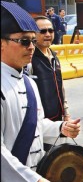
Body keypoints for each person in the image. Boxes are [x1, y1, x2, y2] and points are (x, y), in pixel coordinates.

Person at [1, 1, 81, 182]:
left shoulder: (27, 81)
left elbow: (35, 125)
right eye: (23, 41)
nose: (31, 47)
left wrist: (60, 128)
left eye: (32, 41)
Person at [26, 16, 71, 150]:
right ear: (34, 34)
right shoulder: (29, 59)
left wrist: (66, 113)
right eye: (43, 31)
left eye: (50, 31)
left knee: (57, 159)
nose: (48, 34)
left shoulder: (53, 56)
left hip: (58, 119)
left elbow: (61, 86)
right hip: (40, 121)